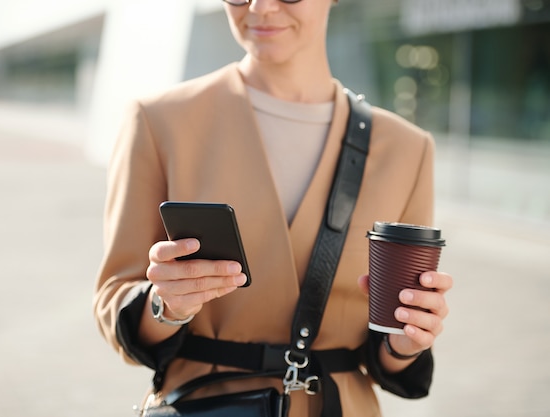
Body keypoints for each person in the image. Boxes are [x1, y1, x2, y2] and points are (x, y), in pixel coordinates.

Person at [93, 0, 454, 416]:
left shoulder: (407, 150)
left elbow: (387, 341)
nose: (261, 7)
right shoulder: (158, 122)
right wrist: (166, 304)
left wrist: (405, 342)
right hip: (206, 407)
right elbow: (114, 298)